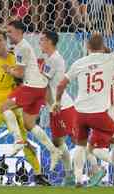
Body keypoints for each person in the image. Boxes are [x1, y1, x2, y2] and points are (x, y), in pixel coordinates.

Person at [0, 29, 50, 186]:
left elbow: (24, 79)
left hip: (11, 107)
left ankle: (39, 174)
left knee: (24, 141)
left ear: (6, 41)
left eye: (0, 40)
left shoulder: (15, 59)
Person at [55, 33, 114, 187]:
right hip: (99, 113)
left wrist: (58, 101)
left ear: (87, 47)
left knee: (80, 145)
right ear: (103, 46)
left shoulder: (79, 63)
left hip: (80, 112)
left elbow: (60, 85)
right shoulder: (110, 58)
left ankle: (79, 179)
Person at [0, 20, 62, 171]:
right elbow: (23, 69)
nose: (8, 34)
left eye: (10, 31)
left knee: (4, 107)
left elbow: (20, 74)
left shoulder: (22, 48)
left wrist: (9, 70)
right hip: (39, 88)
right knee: (29, 124)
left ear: (20, 32)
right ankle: (54, 151)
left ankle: (18, 140)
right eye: (7, 32)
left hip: (31, 87)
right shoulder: (22, 47)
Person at [39, 30, 75, 185]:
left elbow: (44, 85)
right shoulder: (52, 59)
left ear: (49, 41)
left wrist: (53, 104)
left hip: (62, 106)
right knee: (57, 142)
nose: (40, 43)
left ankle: (95, 168)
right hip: (54, 107)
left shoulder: (53, 60)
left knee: (75, 138)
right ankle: (69, 175)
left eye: (42, 40)